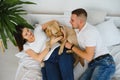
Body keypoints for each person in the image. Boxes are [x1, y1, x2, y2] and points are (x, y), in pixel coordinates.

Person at [65, 8, 116, 80]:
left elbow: (89, 57)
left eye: (72, 20)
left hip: (104, 63)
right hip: (93, 64)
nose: (70, 22)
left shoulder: (89, 32)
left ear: (80, 21)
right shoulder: (78, 31)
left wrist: (72, 47)